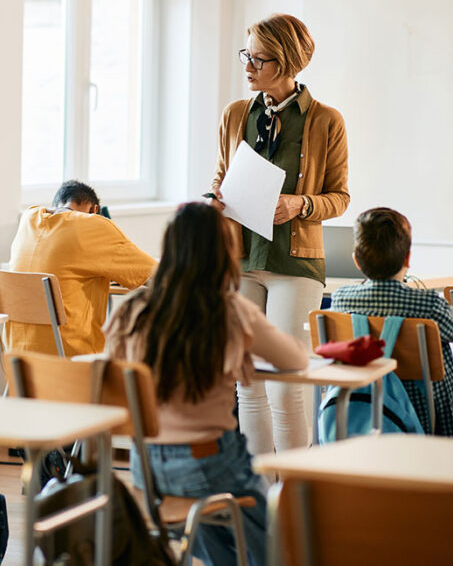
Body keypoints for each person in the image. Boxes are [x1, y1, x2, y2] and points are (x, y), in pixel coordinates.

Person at [106, 203, 308, 566]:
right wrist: (241, 349)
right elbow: (295, 359)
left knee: (212, 526)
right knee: (276, 540)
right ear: (224, 252)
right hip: (210, 464)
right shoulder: (229, 310)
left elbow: (112, 373)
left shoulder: (133, 310)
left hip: (145, 466)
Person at [209, 13, 350, 454]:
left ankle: (294, 494)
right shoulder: (235, 115)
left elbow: (340, 196)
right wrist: (217, 196)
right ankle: (258, 495)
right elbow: (221, 175)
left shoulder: (327, 121)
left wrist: (300, 204)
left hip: (295, 262)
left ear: (286, 62)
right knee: (247, 382)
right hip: (241, 258)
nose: (247, 66)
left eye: (258, 59)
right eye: (246, 55)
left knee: (286, 385)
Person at [330, 208, 453, 437]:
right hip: (436, 421)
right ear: (407, 258)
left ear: (356, 260)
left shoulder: (340, 300)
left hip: (365, 418)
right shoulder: (426, 305)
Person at [8, 180, 156, 357]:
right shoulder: (92, 224)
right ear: (94, 211)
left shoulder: (29, 218)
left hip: (18, 364)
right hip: (71, 360)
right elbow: (157, 274)